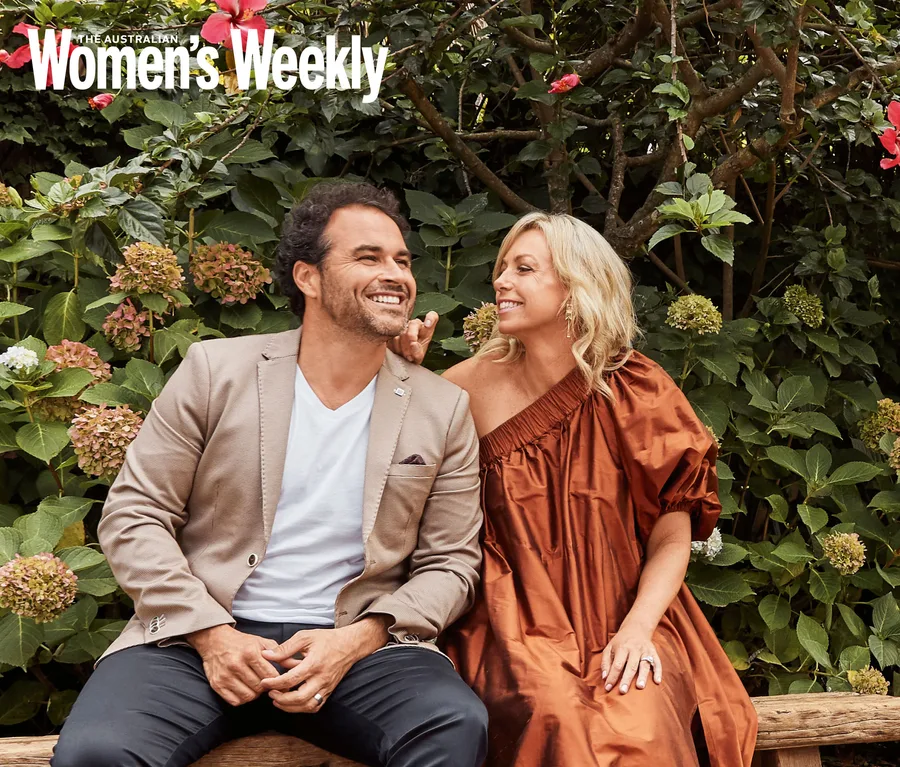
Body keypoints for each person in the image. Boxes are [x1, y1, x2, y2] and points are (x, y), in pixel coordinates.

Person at [51, 182, 488, 767]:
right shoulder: (216, 372)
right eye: (368, 257)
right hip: (197, 634)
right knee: (97, 753)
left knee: (452, 726)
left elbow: (451, 562)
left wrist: (360, 639)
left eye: (402, 261)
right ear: (308, 277)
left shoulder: (442, 407)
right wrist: (211, 634)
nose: (395, 274)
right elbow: (135, 513)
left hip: (359, 645)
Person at [396, 211, 758, 766]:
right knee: (553, 712)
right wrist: (401, 378)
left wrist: (637, 630)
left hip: (628, 610)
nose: (501, 281)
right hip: (513, 619)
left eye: (524, 269)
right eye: (502, 268)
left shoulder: (634, 389)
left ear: (575, 286)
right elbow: (398, 483)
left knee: (641, 718)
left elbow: (670, 537)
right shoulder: (463, 387)